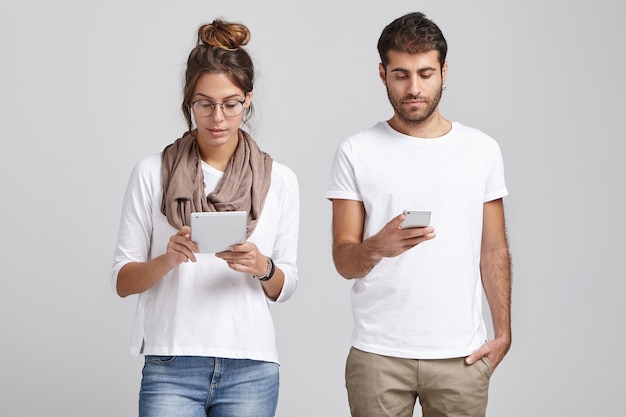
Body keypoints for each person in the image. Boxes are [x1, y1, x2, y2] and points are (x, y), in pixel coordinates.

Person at [325, 12, 511, 417]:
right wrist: (377, 247)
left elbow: (493, 248)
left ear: (444, 72)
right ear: (382, 73)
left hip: (461, 355)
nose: (414, 88)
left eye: (426, 74)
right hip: (378, 356)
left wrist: (503, 333)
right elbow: (344, 259)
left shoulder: (481, 150)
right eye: (401, 75)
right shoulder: (356, 151)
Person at [111, 19, 299, 417]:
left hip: (251, 364)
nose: (218, 117)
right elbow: (122, 281)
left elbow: (286, 283)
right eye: (204, 104)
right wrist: (168, 258)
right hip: (172, 364)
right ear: (188, 103)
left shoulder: (279, 180)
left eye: (231, 103)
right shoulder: (152, 172)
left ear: (247, 101)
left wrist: (262, 267)